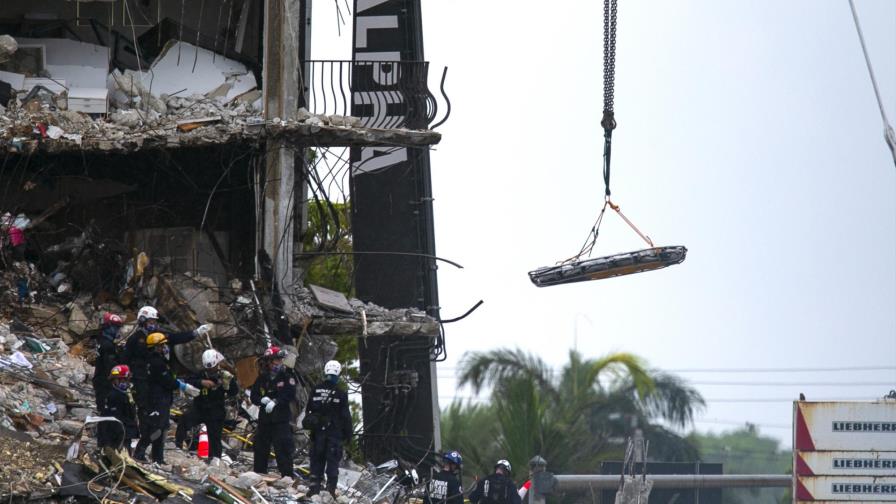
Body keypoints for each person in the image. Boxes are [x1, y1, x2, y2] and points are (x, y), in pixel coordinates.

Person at [122, 306, 210, 416]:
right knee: (145, 409)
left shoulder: (158, 336)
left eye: (154, 321)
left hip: (158, 379)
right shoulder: (135, 339)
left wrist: (195, 333)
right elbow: (125, 359)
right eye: (151, 321)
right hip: (141, 379)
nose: (153, 324)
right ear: (143, 321)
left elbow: (176, 337)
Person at [133, 332, 199, 464]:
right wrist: (182, 386)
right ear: (155, 347)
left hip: (162, 398)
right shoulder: (156, 363)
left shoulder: (158, 360)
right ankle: (140, 451)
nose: (164, 348)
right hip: (157, 400)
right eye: (161, 346)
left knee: (162, 428)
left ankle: (158, 457)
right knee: (156, 428)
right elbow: (167, 381)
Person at [305, 360, 352, 496]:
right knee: (332, 462)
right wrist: (348, 435)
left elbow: (309, 411)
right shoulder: (341, 393)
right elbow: (346, 416)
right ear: (338, 374)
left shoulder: (316, 390)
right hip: (334, 434)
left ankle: (314, 488)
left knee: (316, 460)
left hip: (317, 433)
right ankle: (330, 491)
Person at [180, 349, 238, 459]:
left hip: (215, 411)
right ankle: (178, 446)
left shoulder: (225, 375)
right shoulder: (201, 374)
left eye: (213, 368)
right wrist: (201, 382)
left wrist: (228, 384)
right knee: (184, 420)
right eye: (208, 368)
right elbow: (188, 380)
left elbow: (234, 392)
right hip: (199, 408)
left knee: (214, 438)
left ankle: (214, 459)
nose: (211, 371)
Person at [250, 346, 297, 477]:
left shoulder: (287, 377)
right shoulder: (262, 378)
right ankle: (259, 475)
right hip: (265, 420)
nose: (278, 363)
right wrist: (261, 400)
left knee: (283, 449)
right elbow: (254, 396)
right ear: (269, 362)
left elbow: (290, 394)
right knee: (260, 447)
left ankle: (287, 477)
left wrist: (276, 402)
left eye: (279, 360)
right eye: (275, 361)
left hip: (280, 420)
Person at [98, 365, 139, 452]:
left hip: (125, 434)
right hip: (115, 436)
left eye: (125, 380)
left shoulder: (127, 394)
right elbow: (112, 419)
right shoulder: (113, 396)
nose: (125, 382)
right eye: (121, 380)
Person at [92, 312, 124, 412]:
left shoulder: (101, 340)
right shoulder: (107, 345)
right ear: (108, 327)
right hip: (105, 381)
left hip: (100, 378)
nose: (117, 330)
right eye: (115, 327)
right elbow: (111, 366)